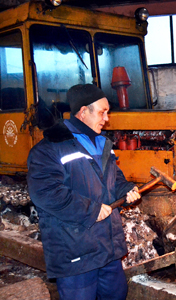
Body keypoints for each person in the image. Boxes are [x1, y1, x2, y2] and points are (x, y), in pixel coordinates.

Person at [27, 84, 141, 300]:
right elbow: (46, 193)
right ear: (82, 112)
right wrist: (90, 210)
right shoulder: (49, 149)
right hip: (76, 252)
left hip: (107, 250)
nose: (106, 119)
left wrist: (126, 190)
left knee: (116, 295)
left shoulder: (102, 143)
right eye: (102, 112)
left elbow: (113, 179)